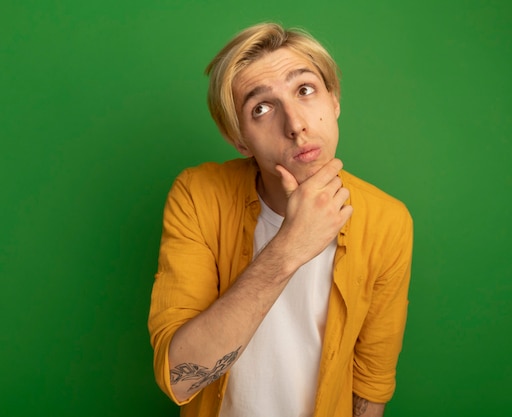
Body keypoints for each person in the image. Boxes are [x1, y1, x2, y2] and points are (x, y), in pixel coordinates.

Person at [148, 22, 413, 417]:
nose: (295, 125)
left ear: (334, 100)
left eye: (305, 90)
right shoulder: (198, 195)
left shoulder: (387, 221)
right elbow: (181, 378)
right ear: (240, 139)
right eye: (262, 108)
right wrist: (289, 248)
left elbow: (371, 384)